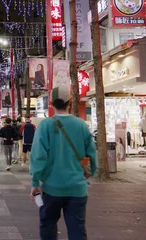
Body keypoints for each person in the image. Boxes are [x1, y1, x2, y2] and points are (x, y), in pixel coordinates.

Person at [30, 98, 97, 240]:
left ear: (52, 104)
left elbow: (38, 156)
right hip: (77, 188)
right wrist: (89, 175)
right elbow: (92, 154)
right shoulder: (81, 125)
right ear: (70, 104)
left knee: (48, 226)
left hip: (51, 187)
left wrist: (35, 182)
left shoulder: (45, 125)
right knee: (77, 229)